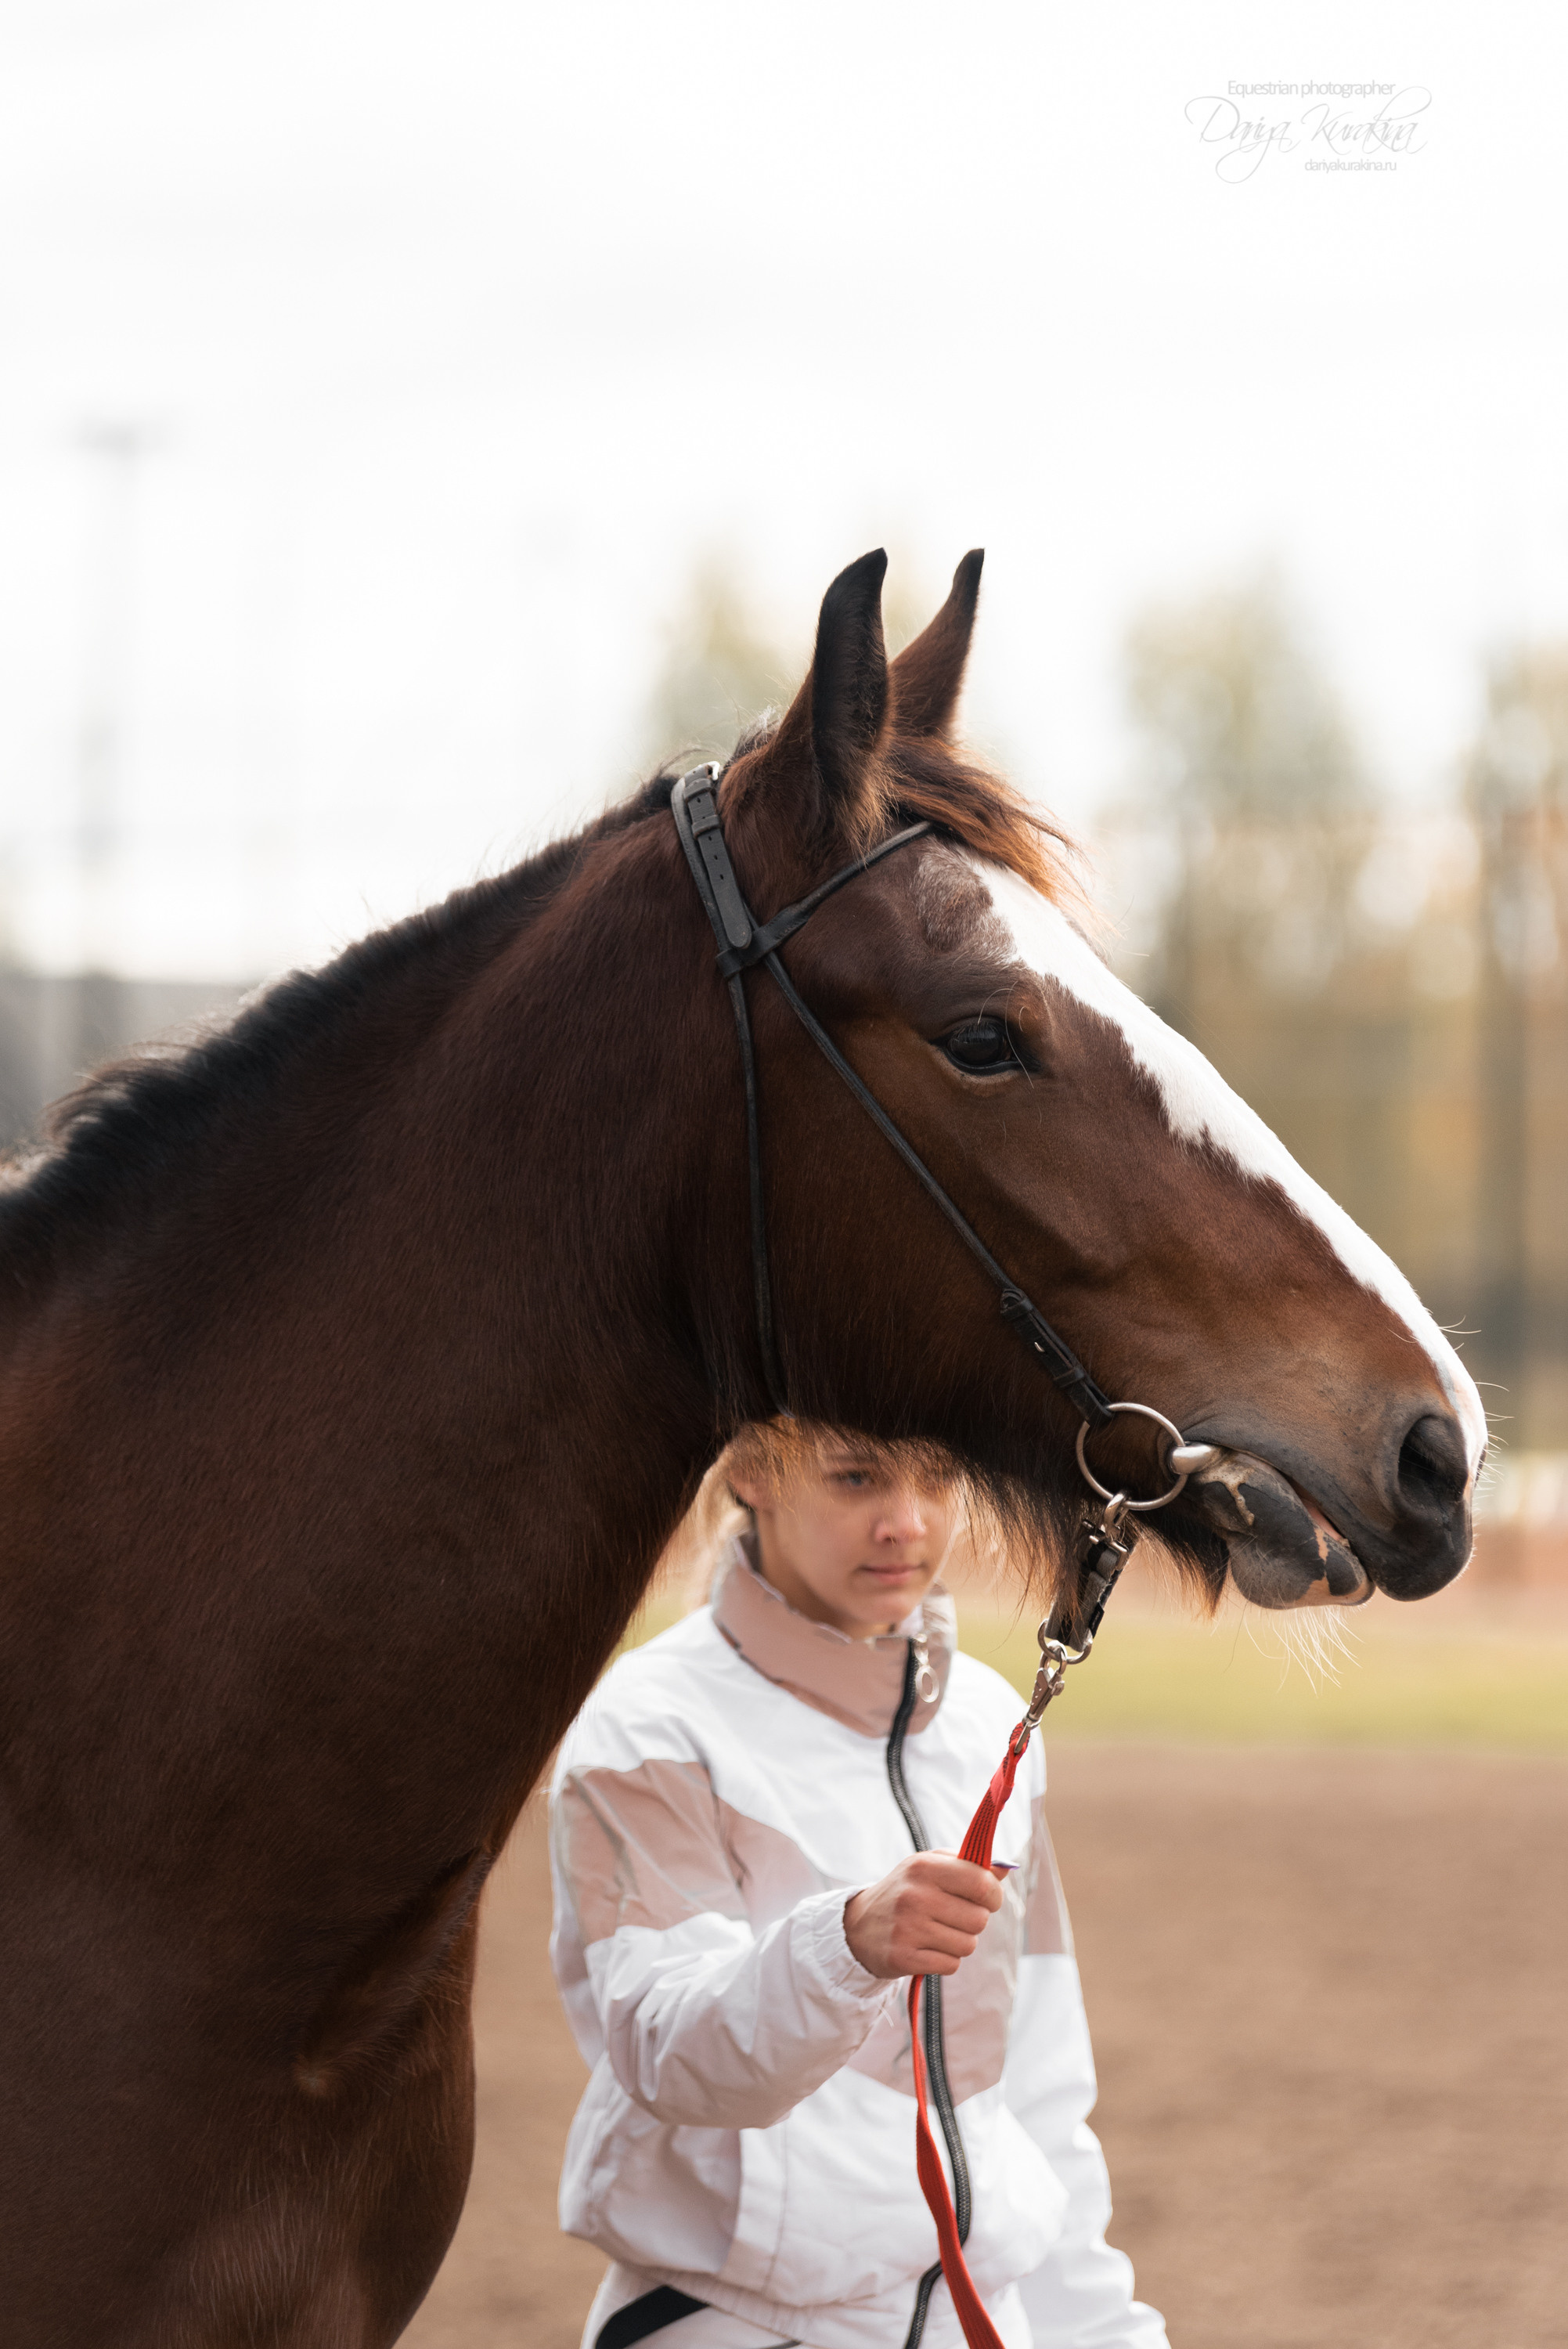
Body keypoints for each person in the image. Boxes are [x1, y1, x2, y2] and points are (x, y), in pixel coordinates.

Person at [549, 1423, 1168, 2349]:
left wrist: (1106, 2335)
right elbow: (664, 2048)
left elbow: (1035, 2092)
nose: (905, 1524)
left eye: (939, 1478)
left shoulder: (989, 1722)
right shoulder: (648, 1727)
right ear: (751, 1471)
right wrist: (841, 1944)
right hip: (731, 2323)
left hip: (978, 2320)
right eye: (854, 1479)